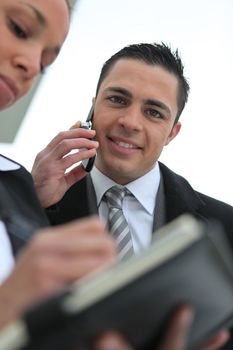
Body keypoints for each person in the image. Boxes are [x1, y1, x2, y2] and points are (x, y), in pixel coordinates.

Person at [0, 2, 222, 349]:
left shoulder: (225, 226)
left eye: (153, 112)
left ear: (172, 133)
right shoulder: (31, 201)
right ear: (93, 107)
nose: (130, 122)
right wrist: (31, 200)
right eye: (117, 100)